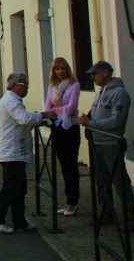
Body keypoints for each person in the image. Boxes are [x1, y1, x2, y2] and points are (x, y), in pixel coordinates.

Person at [0, 72, 57, 233]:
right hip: (11, 152)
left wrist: (38, 121)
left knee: (19, 187)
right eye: (24, 85)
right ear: (15, 85)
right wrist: (43, 114)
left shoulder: (12, 100)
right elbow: (23, 118)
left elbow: (21, 122)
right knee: (12, 187)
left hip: (14, 151)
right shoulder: (11, 101)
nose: (27, 88)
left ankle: (20, 221)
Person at [78, 60, 134, 232]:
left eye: (95, 74)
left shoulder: (119, 93)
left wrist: (92, 123)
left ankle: (130, 219)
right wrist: (88, 122)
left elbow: (116, 120)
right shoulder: (100, 93)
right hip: (97, 143)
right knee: (101, 182)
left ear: (105, 73)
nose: (93, 78)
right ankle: (106, 214)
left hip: (111, 143)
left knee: (120, 182)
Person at [44, 57, 81, 216]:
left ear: (67, 69)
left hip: (70, 127)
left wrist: (55, 109)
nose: (60, 72)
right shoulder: (52, 86)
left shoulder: (74, 85)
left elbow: (71, 108)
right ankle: (68, 201)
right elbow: (47, 106)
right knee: (63, 164)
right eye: (57, 69)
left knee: (71, 163)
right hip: (57, 127)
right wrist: (56, 110)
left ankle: (73, 201)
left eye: (63, 68)